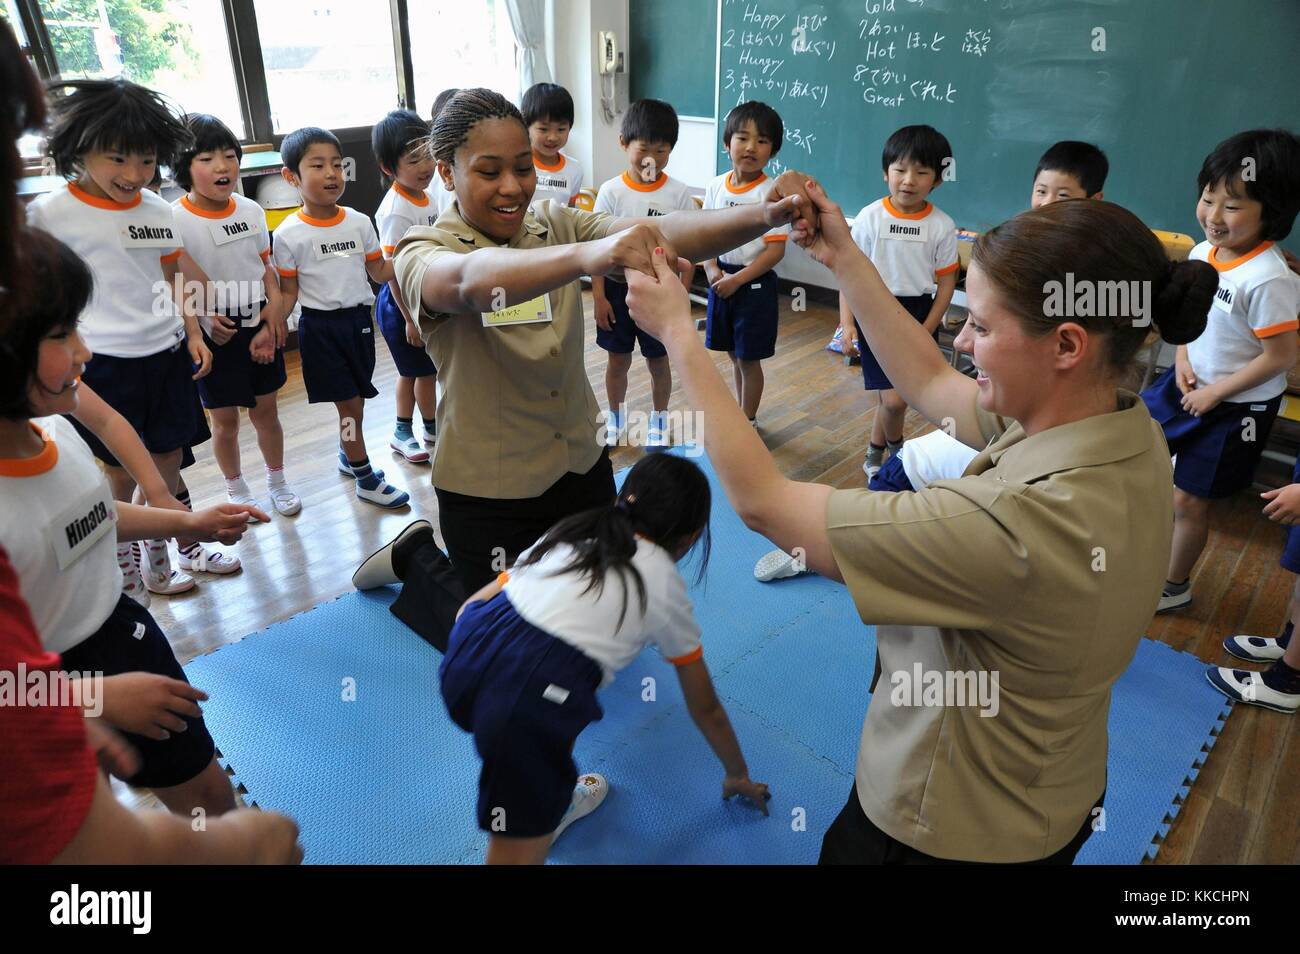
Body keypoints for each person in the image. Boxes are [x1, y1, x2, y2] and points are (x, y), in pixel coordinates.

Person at [624, 189, 1216, 864]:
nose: (961, 339)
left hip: (942, 826)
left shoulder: (1016, 528)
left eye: (982, 328)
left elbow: (766, 505)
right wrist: (843, 256)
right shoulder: (1120, 424)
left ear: (1067, 345)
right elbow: (932, 381)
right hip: (1054, 790)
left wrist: (678, 329)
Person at [373, 88, 811, 604]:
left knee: (588, 596)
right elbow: (467, 281)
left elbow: (663, 230)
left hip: (579, 463)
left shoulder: (553, 223)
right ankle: (415, 557)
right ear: (447, 173)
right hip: (488, 486)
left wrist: (764, 216)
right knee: (495, 631)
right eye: (489, 173)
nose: (512, 187)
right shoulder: (423, 248)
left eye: (523, 167)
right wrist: (587, 256)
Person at [0, 228, 268, 818]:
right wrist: (90, 698)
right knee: (82, 820)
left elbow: (89, 518)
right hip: (43, 687)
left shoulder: (53, 427)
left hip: (121, 632)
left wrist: (186, 522)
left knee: (207, 796)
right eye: (59, 334)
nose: (85, 351)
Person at [440, 453, 769, 864]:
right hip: (524, 705)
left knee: (572, 697)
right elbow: (706, 708)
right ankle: (537, 801)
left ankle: (545, 793)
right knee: (514, 850)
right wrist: (737, 774)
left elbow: (478, 601)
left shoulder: (573, 530)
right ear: (690, 537)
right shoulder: (664, 585)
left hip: (466, 652)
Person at [26, 77, 221, 598]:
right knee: (119, 469)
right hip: (102, 361)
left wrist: (195, 332)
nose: (134, 175)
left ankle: (161, 557)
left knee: (169, 457)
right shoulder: (49, 214)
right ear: (81, 149)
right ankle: (124, 559)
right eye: (117, 159)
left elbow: (174, 277)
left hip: (167, 351)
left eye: (146, 159)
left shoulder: (159, 211)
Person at [1141, 129, 1300, 612]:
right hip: (1186, 384)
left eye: (1232, 206)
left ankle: (1173, 585)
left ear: (1271, 211)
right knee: (1135, 455)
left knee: (1191, 502)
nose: (1212, 216)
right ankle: (1134, 554)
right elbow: (1188, 322)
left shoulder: (1270, 278)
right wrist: (1184, 357)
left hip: (1236, 408)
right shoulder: (1199, 254)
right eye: (1208, 198)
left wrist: (1216, 394)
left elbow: (1280, 357)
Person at [272, 125, 410, 508]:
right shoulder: (287, 234)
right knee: (348, 405)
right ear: (291, 177)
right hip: (321, 331)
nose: (332, 174)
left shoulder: (358, 221)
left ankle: (347, 456)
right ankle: (365, 477)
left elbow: (380, 272)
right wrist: (273, 325)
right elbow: (288, 293)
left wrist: (417, 255)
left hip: (360, 325)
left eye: (337, 164)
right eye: (318, 166)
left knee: (357, 403)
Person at [173, 113, 300, 519]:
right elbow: (173, 282)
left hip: (255, 320)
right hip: (213, 331)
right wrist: (204, 319)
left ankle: (277, 480)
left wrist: (270, 322)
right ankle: (236, 487)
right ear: (184, 166)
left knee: (267, 412)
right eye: (207, 158)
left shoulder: (249, 210)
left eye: (229, 155)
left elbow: (266, 268)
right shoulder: (173, 219)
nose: (222, 166)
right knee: (224, 420)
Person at [839, 125, 960, 480]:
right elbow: (849, 273)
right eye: (900, 170)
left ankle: (875, 450)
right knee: (894, 400)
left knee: (900, 395)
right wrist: (847, 323)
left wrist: (926, 329)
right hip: (874, 312)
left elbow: (947, 283)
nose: (909, 180)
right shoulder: (869, 217)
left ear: (937, 180)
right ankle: (897, 450)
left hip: (919, 314)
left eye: (922, 172)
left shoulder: (941, 225)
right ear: (885, 172)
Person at [592, 99, 698, 448]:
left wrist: (681, 293)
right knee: (618, 360)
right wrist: (599, 298)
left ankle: (658, 418)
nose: (651, 157)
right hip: (616, 291)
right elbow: (595, 250)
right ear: (624, 143)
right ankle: (615, 418)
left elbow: (689, 249)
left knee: (658, 361)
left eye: (662, 149)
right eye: (643, 148)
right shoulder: (610, 192)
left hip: (659, 290)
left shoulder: (678, 193)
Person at [702, 101, 788, 426]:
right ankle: (741, 414)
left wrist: (737, 281)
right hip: (719, 278)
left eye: (762, 141)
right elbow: (703, 235)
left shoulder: (772, 193)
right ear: (727, 143)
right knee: (733, 354)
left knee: (749, 359)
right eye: (742, 138)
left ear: (772, 151)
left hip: (753, 283)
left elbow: (775, 251)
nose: (751, 147)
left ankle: (748, 419)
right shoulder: (714, 186)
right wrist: (712, 270)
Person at [372, 108, 440, 462]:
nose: (425, 166)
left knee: (426, 370)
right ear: (389, 167)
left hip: (422, 297)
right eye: (414, 160)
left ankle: (430, 427)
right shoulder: (396, 209)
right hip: (400, 304)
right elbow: (393, 270)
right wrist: (410, 319)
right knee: (411, 372)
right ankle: (402, 431)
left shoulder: (426, 195)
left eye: (428, 154)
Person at [523, 82, 583, 210]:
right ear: (526, 126)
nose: (553, 137)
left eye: (561, 129)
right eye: (543, 129)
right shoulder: (519, 164)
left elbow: (571, 211)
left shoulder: (574, 169)